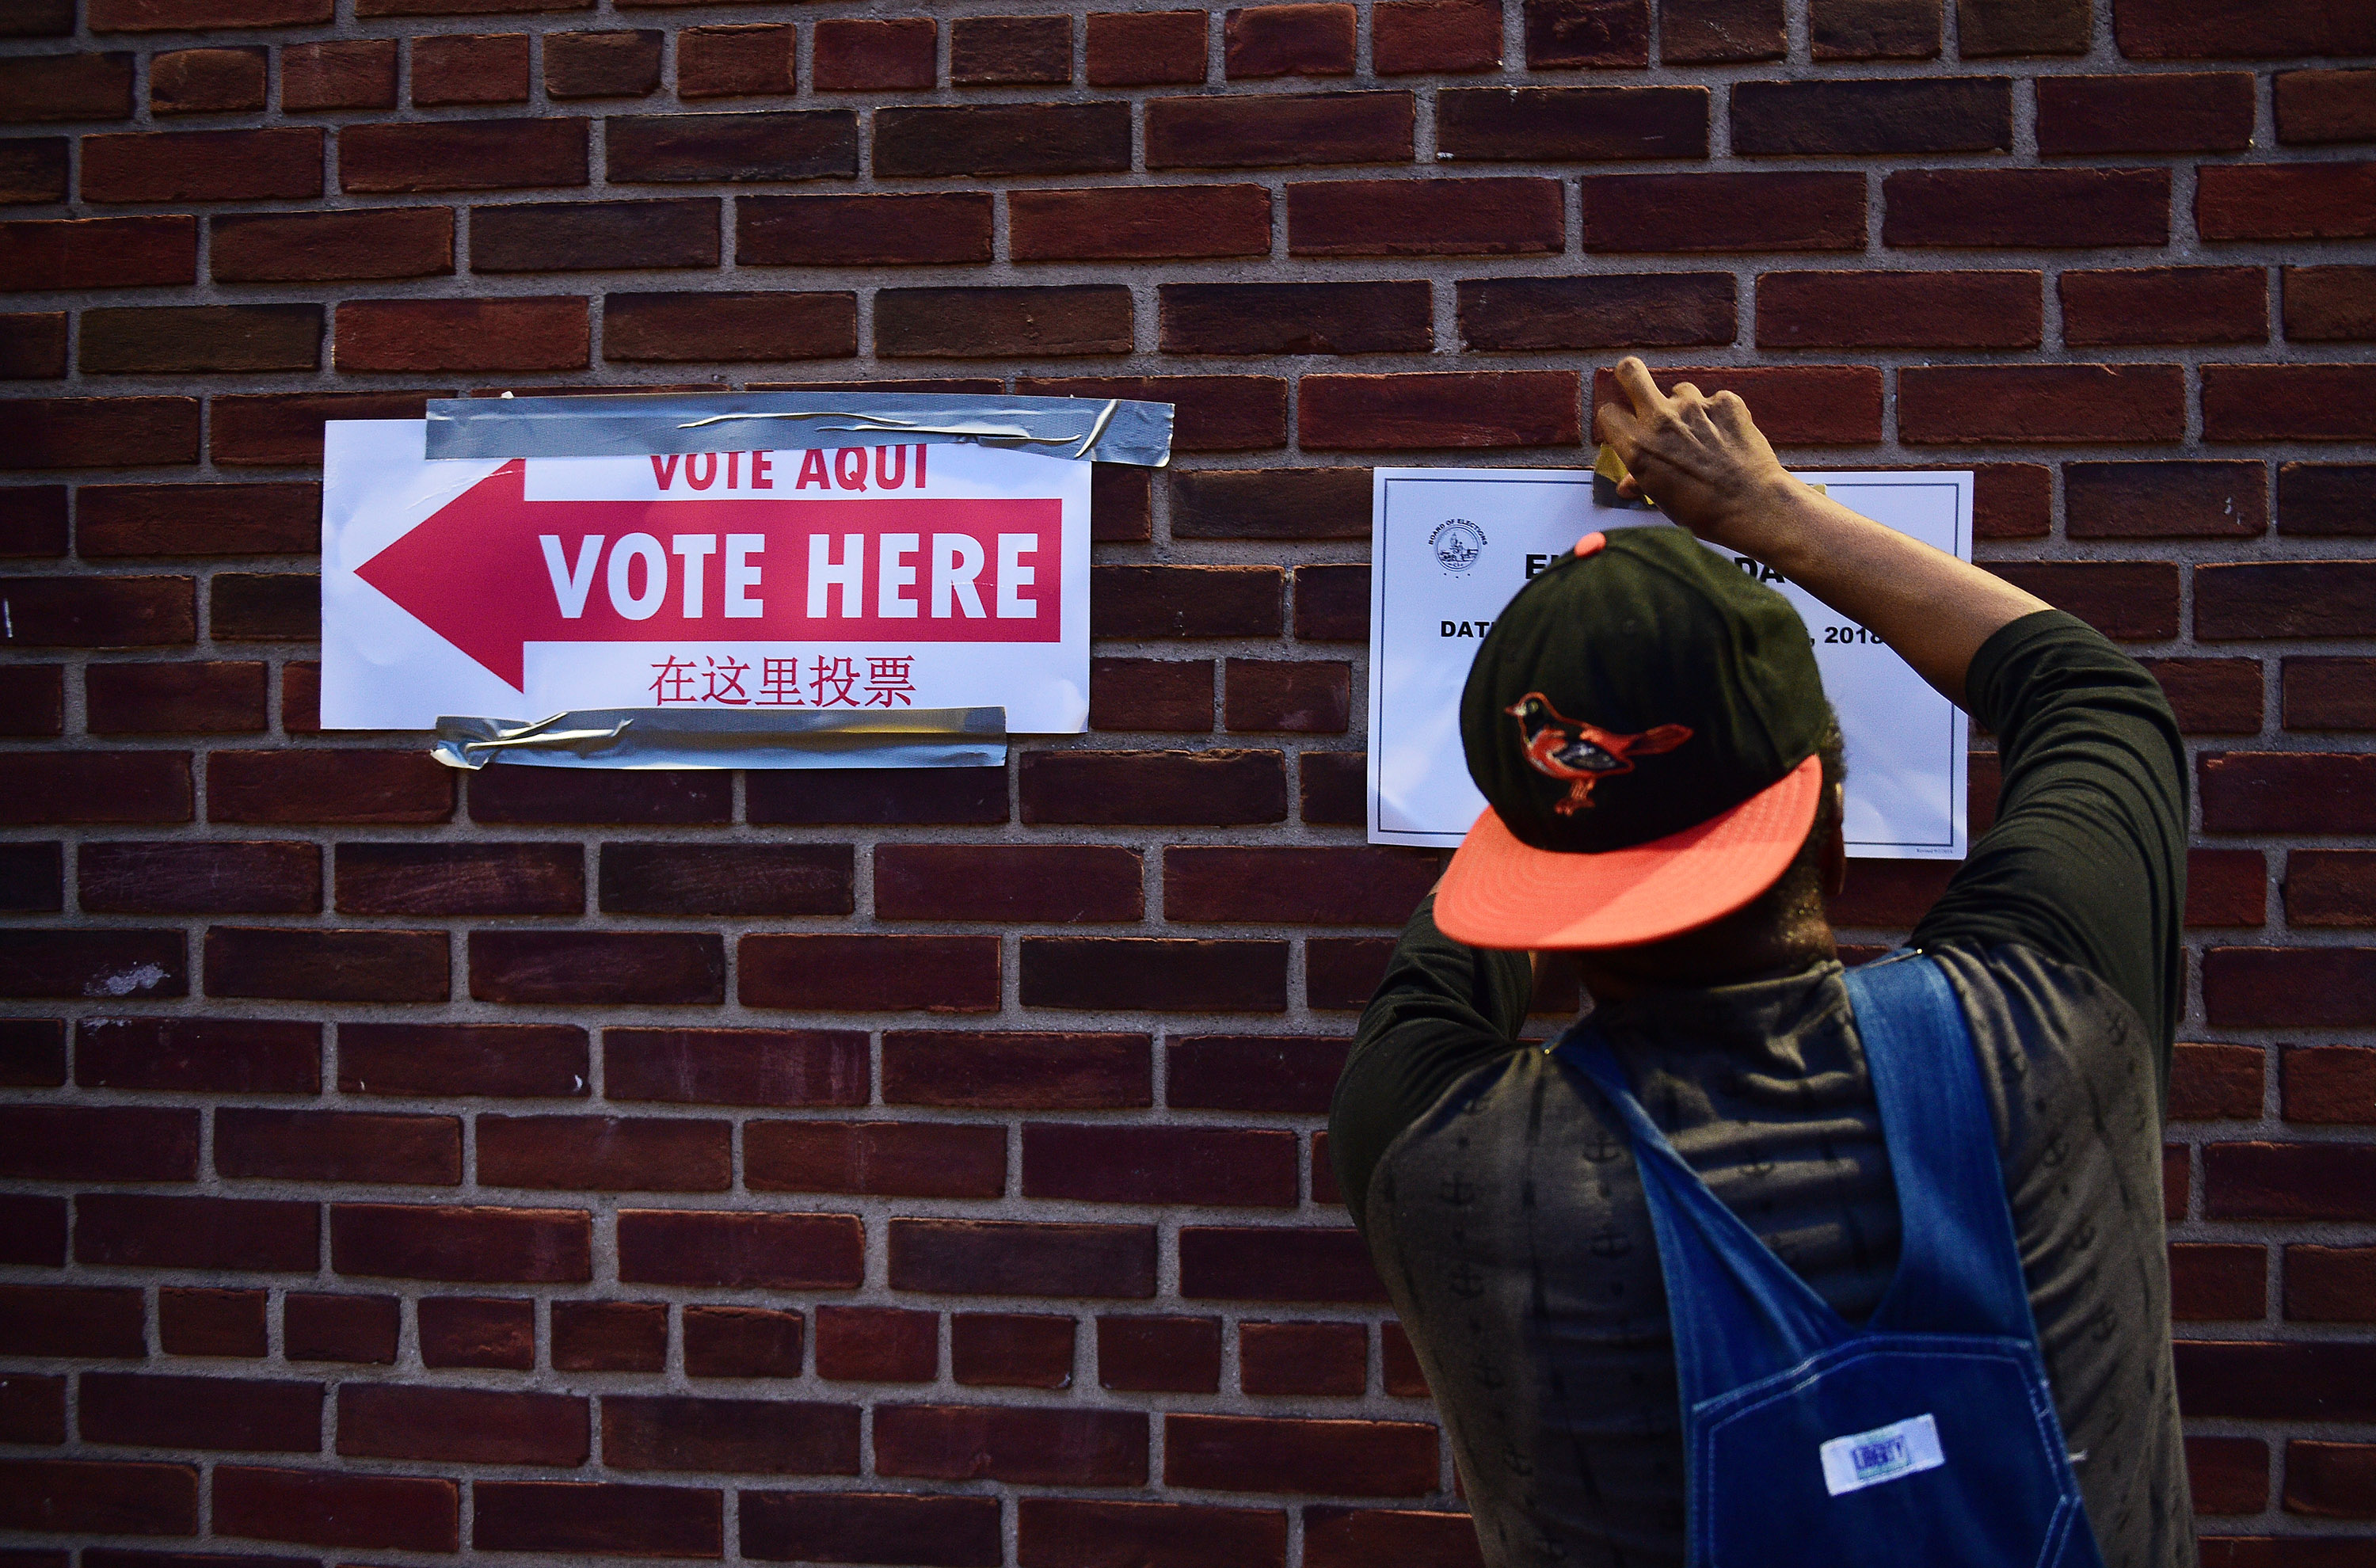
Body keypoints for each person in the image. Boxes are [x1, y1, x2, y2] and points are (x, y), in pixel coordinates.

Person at [1331, 359, 2194, 1567]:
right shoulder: (2047, 1018)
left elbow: (1463, 943)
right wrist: (1765, 513)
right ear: (1829, 826)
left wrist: (1561, 762)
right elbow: (2093, 699)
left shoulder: (1436, 1155)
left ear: (1532, 885)